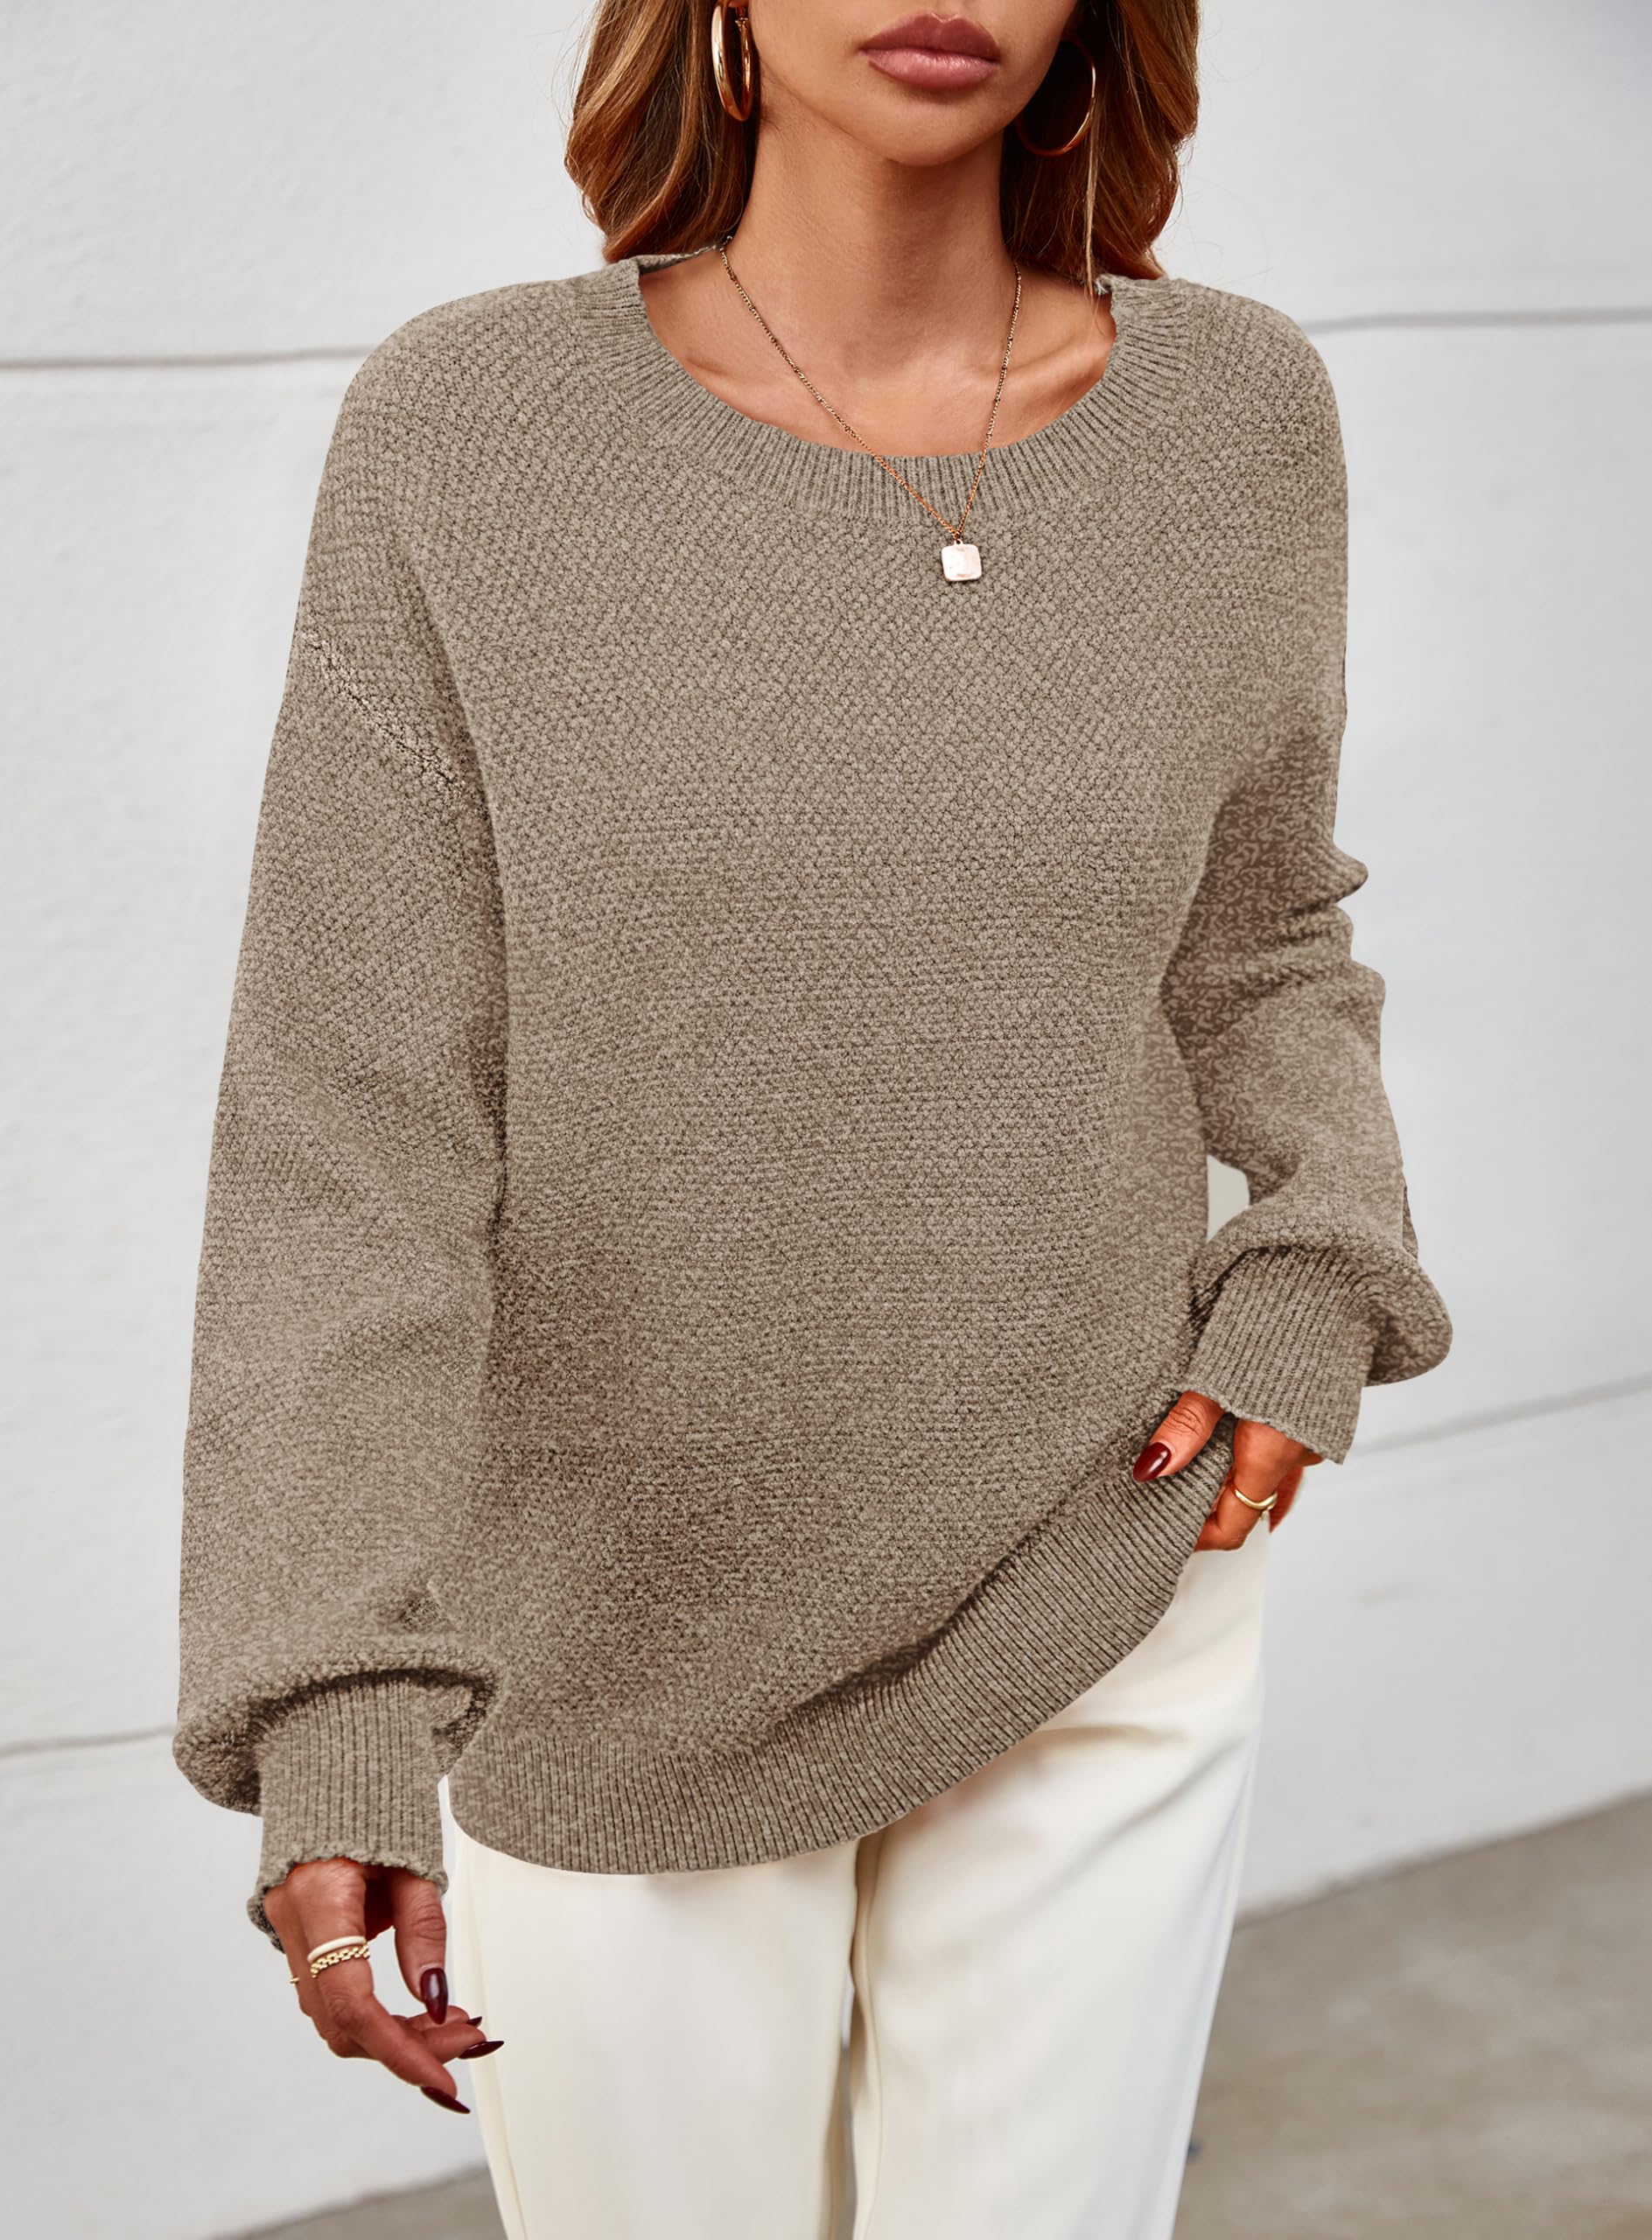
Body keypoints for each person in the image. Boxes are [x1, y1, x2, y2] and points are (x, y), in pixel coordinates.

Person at [172, 1, 1454, 2231]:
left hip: (1103, 1556)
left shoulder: (1238, 414)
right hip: (614, 1626)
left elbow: (1258, 935)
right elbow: (352, 1109)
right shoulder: (471, 427)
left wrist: (1314, 1271)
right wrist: (333, 1688)